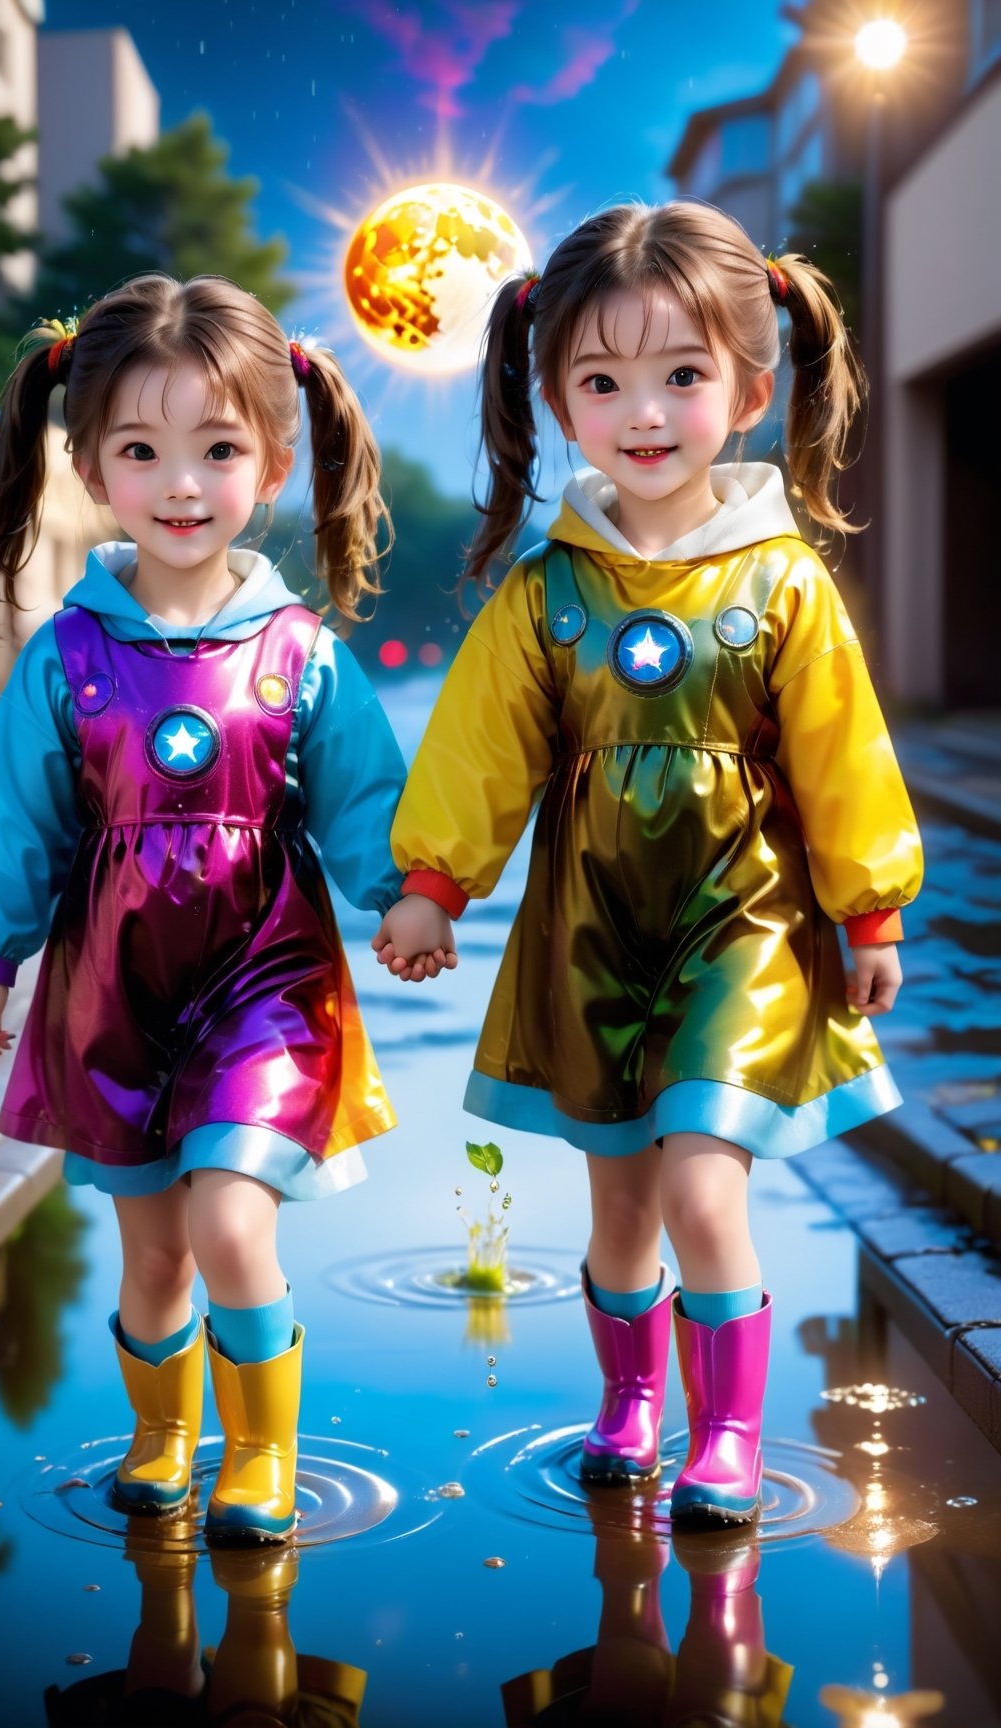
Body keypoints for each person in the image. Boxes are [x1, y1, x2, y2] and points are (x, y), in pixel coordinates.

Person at [373, 201, 923, 1525]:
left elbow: (844, 751)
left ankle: (727, 1434)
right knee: (621, 1197)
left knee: (699, 1170)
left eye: (682, 374)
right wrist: (434, 882)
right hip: (593, 925)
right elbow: (480, 748)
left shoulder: (784, 584)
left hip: (747, 918)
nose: (645, 410)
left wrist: (871, 909)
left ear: (745, 387)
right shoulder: (545, 592)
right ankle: (630, 1403)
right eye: (602, 379)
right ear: (556, 395)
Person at [0, 274, 433, 1544]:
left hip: (268, 976)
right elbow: (18, 815)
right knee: (153, 1249)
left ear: (271, 463)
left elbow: (363, 794)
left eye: (217, 450)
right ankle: (165, 1432)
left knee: (228, 1214)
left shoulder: (299, 652)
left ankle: (262, 1455)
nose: (180, 484)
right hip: (116, 981)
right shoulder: (67, 652)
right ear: (93, 466)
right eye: (142, 451)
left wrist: (408, 898)